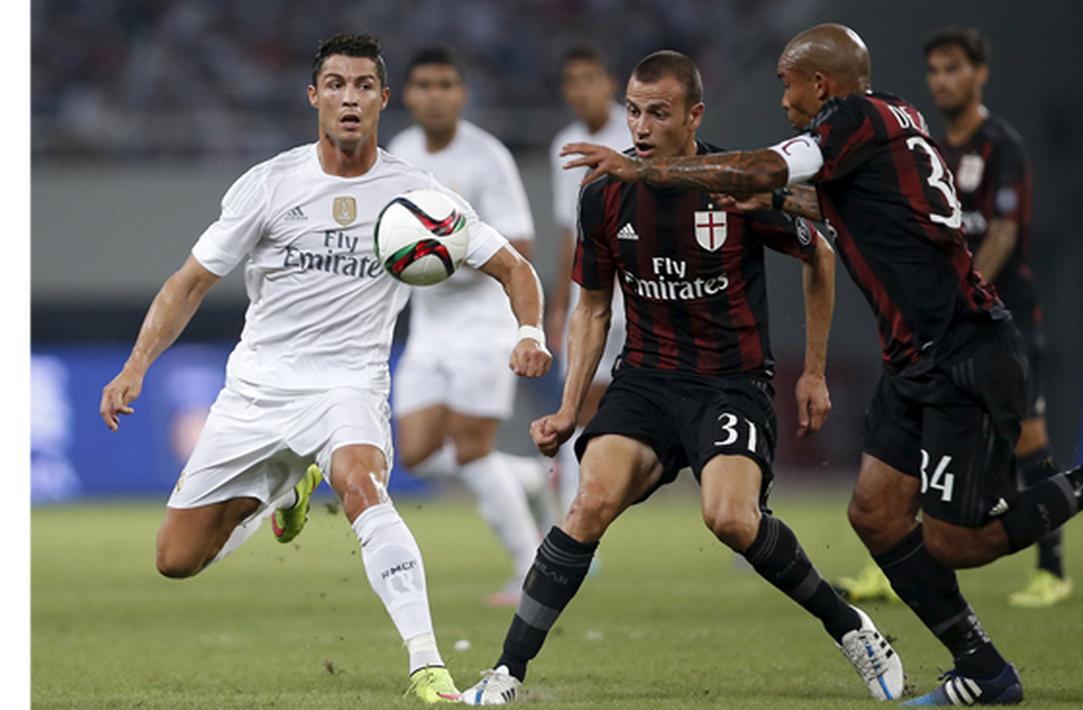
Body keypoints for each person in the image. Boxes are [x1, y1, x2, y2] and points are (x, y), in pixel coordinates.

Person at [560, 23, 1083, 706]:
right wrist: (770, 199)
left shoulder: (849, 117)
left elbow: (764, 167)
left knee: (958, 541)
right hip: (913, 360)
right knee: (875, 515)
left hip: (964, 350)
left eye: (788, 85)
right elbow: (843, 203)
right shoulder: (890, 120)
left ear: (819, 84)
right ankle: (982, 668)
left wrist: (652, 171)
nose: (783, 100)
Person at [99, 33, 552, 704]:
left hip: (349, 383)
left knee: (363, 484)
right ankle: (286, 490)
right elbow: (189, 282)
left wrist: (530, 330)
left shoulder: (416, 197)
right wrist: (136, 365)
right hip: (259, 386)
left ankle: (428, 668)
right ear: (314, 96)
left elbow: (512, 265)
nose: (349, 97)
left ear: (382, 99)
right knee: (176, 561)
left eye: (363, 85)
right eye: (335, 84)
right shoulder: (270, 184)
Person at [462, 50, 903, 706]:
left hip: (730, 383)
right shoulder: (605, 196)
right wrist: (568, 407)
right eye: (634, 112)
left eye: (658, 113)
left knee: (728, 518)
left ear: (693, 116)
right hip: (644, 382)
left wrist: (811, 371)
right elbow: (591, 305)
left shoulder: (735, 186)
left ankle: (851, 628)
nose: (639, 127)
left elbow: (820, 257)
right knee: (587, 506)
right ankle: (506, 674)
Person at [837, 26, 1069, 610]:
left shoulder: (1000, 146)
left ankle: (1054, 569)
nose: (943, 80)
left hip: (994, 322)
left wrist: (961, 298)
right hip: (939, 333)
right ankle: (891, 564)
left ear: (979, 73)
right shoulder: (929, 147)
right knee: (908, 447)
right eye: (935, 70)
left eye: (954, 68)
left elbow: (1007, 231)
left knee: (1030, 444)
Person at [387, 45, 557, 607]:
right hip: (430, 325)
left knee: (470, 450)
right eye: (424, 85)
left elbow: (521, 248)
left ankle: (531, 568)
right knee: (415, 453)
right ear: (406, 95)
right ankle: (530, 480)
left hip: (485, 320)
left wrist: (446, 253)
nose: (435, 95)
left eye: (446, 85)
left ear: (462, 93)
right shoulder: (401, 152)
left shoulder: (488, 157)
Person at [545, 45, 631, 513]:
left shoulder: (636, 132)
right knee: (575, 411)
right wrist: (559, 305)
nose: (582, 90)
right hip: (590, 298)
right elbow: (569, 235)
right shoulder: (564, 142)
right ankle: (575, 521)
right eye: (572, 81)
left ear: (609, 82)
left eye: (590, 78)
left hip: (640, 296)